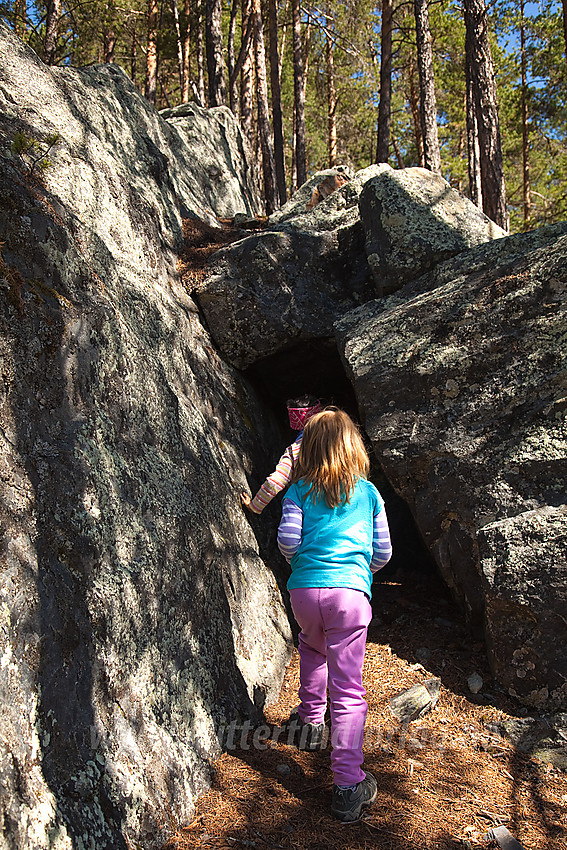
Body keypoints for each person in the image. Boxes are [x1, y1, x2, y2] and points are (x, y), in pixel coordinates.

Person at [277, 407, 392, 823]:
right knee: (348, 690)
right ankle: (347, 785)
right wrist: (360, 571)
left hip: (305, 591)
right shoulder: (368, 493)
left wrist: (301, 565)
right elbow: (383, 552)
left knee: (311, 648)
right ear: (352, 446)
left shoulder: (299, 491)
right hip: (350, 595)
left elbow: (288, 539)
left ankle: (309, 724)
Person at [241, 395, 322, 514]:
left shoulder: (299, 447)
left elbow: (276, 481)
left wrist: (254, 506)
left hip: (313, 509)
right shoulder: (341, 438)